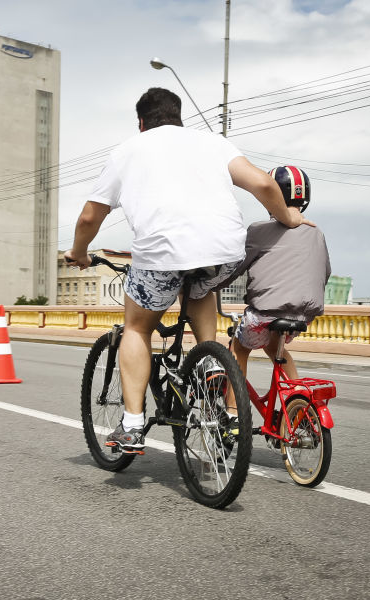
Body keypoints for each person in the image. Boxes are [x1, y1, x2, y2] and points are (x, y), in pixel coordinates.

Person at [64, 87, 312, 453]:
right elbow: (262, 182)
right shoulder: (213, 143)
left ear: (142, 122)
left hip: (161, 255)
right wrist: (286, 214)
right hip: (223, 251)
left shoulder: (127, 151)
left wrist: (79, 252)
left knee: (136, 327)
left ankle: (132, 425)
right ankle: (211, 361)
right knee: (199, 284)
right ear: (179, 117)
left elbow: (89, 217)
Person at [222, 166, 330, 385]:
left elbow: (236, 267)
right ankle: (294, 403)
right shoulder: (317, 232)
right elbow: (325, 272)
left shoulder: (259, 230)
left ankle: (233, 412)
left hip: (265, 313)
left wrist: (212, 285)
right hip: (302, 315)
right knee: (274, 347)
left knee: (239, 347)